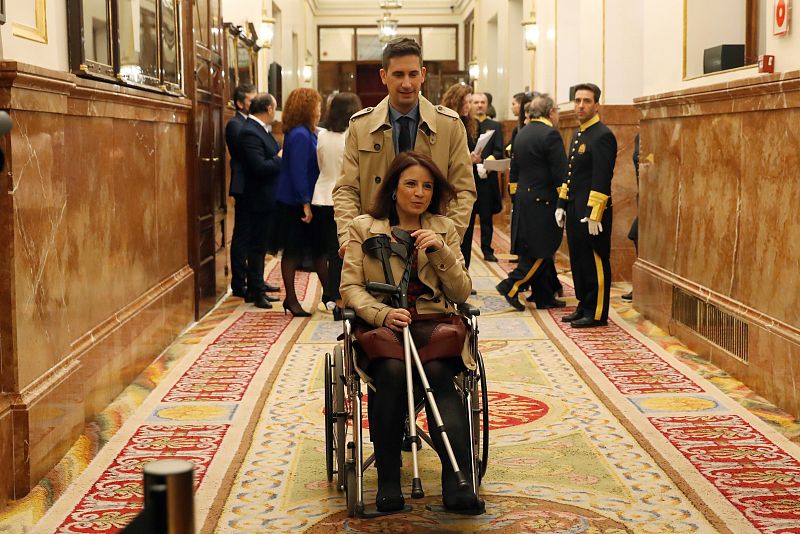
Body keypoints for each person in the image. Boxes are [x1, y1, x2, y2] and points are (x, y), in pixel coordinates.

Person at [340, 151, 484, 515]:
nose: (419, 192)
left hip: (433, 324)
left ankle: (459, 481)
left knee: (438, 373)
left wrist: (441, 253)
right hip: (385, 325)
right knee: (389, 372)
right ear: (393, 188)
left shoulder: (444, 228)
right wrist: (382, 313)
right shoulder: (363, 227)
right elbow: (351, 288)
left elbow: (461, 292)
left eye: (427, 186)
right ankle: (389, 479)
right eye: (410, 184)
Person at [333, 37, 475, 255]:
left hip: (432, 243)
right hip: (375, 242)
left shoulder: (449, 125)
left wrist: (446, 240)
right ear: (384, 76)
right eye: (398, 74)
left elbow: (463, 190)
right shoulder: (360, 126)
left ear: (423, 75)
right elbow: (347, 189)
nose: (407, 83)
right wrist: (349, 237)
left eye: (413, 74)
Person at [496, 94, 567, 311]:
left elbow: (514, 172)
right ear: (551, 112)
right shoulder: (551, 134)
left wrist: (516, 198)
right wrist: (563, 201)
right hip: (544, 202)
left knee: (534, 248)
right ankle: (510, 285)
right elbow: (560, 172)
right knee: (542, 250)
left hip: (525, 200)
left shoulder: (521, 133)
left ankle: (543, 295)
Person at [555, 83, 617, 328]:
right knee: (579, 261)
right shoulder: (580, 133)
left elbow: (602, 178)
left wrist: (594, 214)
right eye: (577, 100)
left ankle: (597, 311)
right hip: (575, 209)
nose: (580, 105)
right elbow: (571, 175)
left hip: (593, 214)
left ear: (596, 104)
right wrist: (562, 203)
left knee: (596, 261)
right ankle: (584, 305)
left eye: (586, 101)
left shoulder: (602, 135)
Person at [271, 88, 324, 317]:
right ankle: (291, 300)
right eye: (317, 106)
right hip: (295, 202)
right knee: (293, 251)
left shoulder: (304, 132)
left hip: (301, 199)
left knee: (315, 249)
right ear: (307, 108)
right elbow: (298, 172)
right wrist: (305, 203)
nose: (319, 111)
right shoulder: (300, 134)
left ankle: (331, 295)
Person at [314, 92, 363, 310]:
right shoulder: (352, 134)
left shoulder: (322, 134)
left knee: (326, 250)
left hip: (321, 195)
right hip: (343, 198)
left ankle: (329, 295)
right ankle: (338, 296)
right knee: (342, 252)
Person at [237, 93, 283, 309]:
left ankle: (258, 285)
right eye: (275, 107)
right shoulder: (250, 132)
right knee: (257, 247)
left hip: (266, 197)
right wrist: (279, 158)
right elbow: (259, 167)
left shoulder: (257, 129)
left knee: (261, 245)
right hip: (258, 198)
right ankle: (255, 292)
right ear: (268, 109)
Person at [226, 83, 258, 298]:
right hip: (244, 185)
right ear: (240, 103)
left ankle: (254, 279)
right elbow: (245, 154)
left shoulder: (248, 123)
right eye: (250, 100)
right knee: (242, 235)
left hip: (254, 186)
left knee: (253, 235)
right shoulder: (236, 124)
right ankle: (239, 282)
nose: (254, 103)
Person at [464, 92, 504, 263]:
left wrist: (486, 165)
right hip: (469, 177)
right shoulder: (466, 124)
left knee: (487, 216)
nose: (479, 105)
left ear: (487, 105)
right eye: (476, 102)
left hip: (487, 178)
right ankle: (465, 250)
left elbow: (498, 150)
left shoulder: (495, 125)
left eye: (482, 102)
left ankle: (487, 250)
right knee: (468, 217)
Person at [622, 133, 640, 302]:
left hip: (656, 196)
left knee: (636, 234)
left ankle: (641, 286)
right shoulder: (639, 136)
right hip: (643, 196)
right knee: (636, 235)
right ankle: (640, 285)